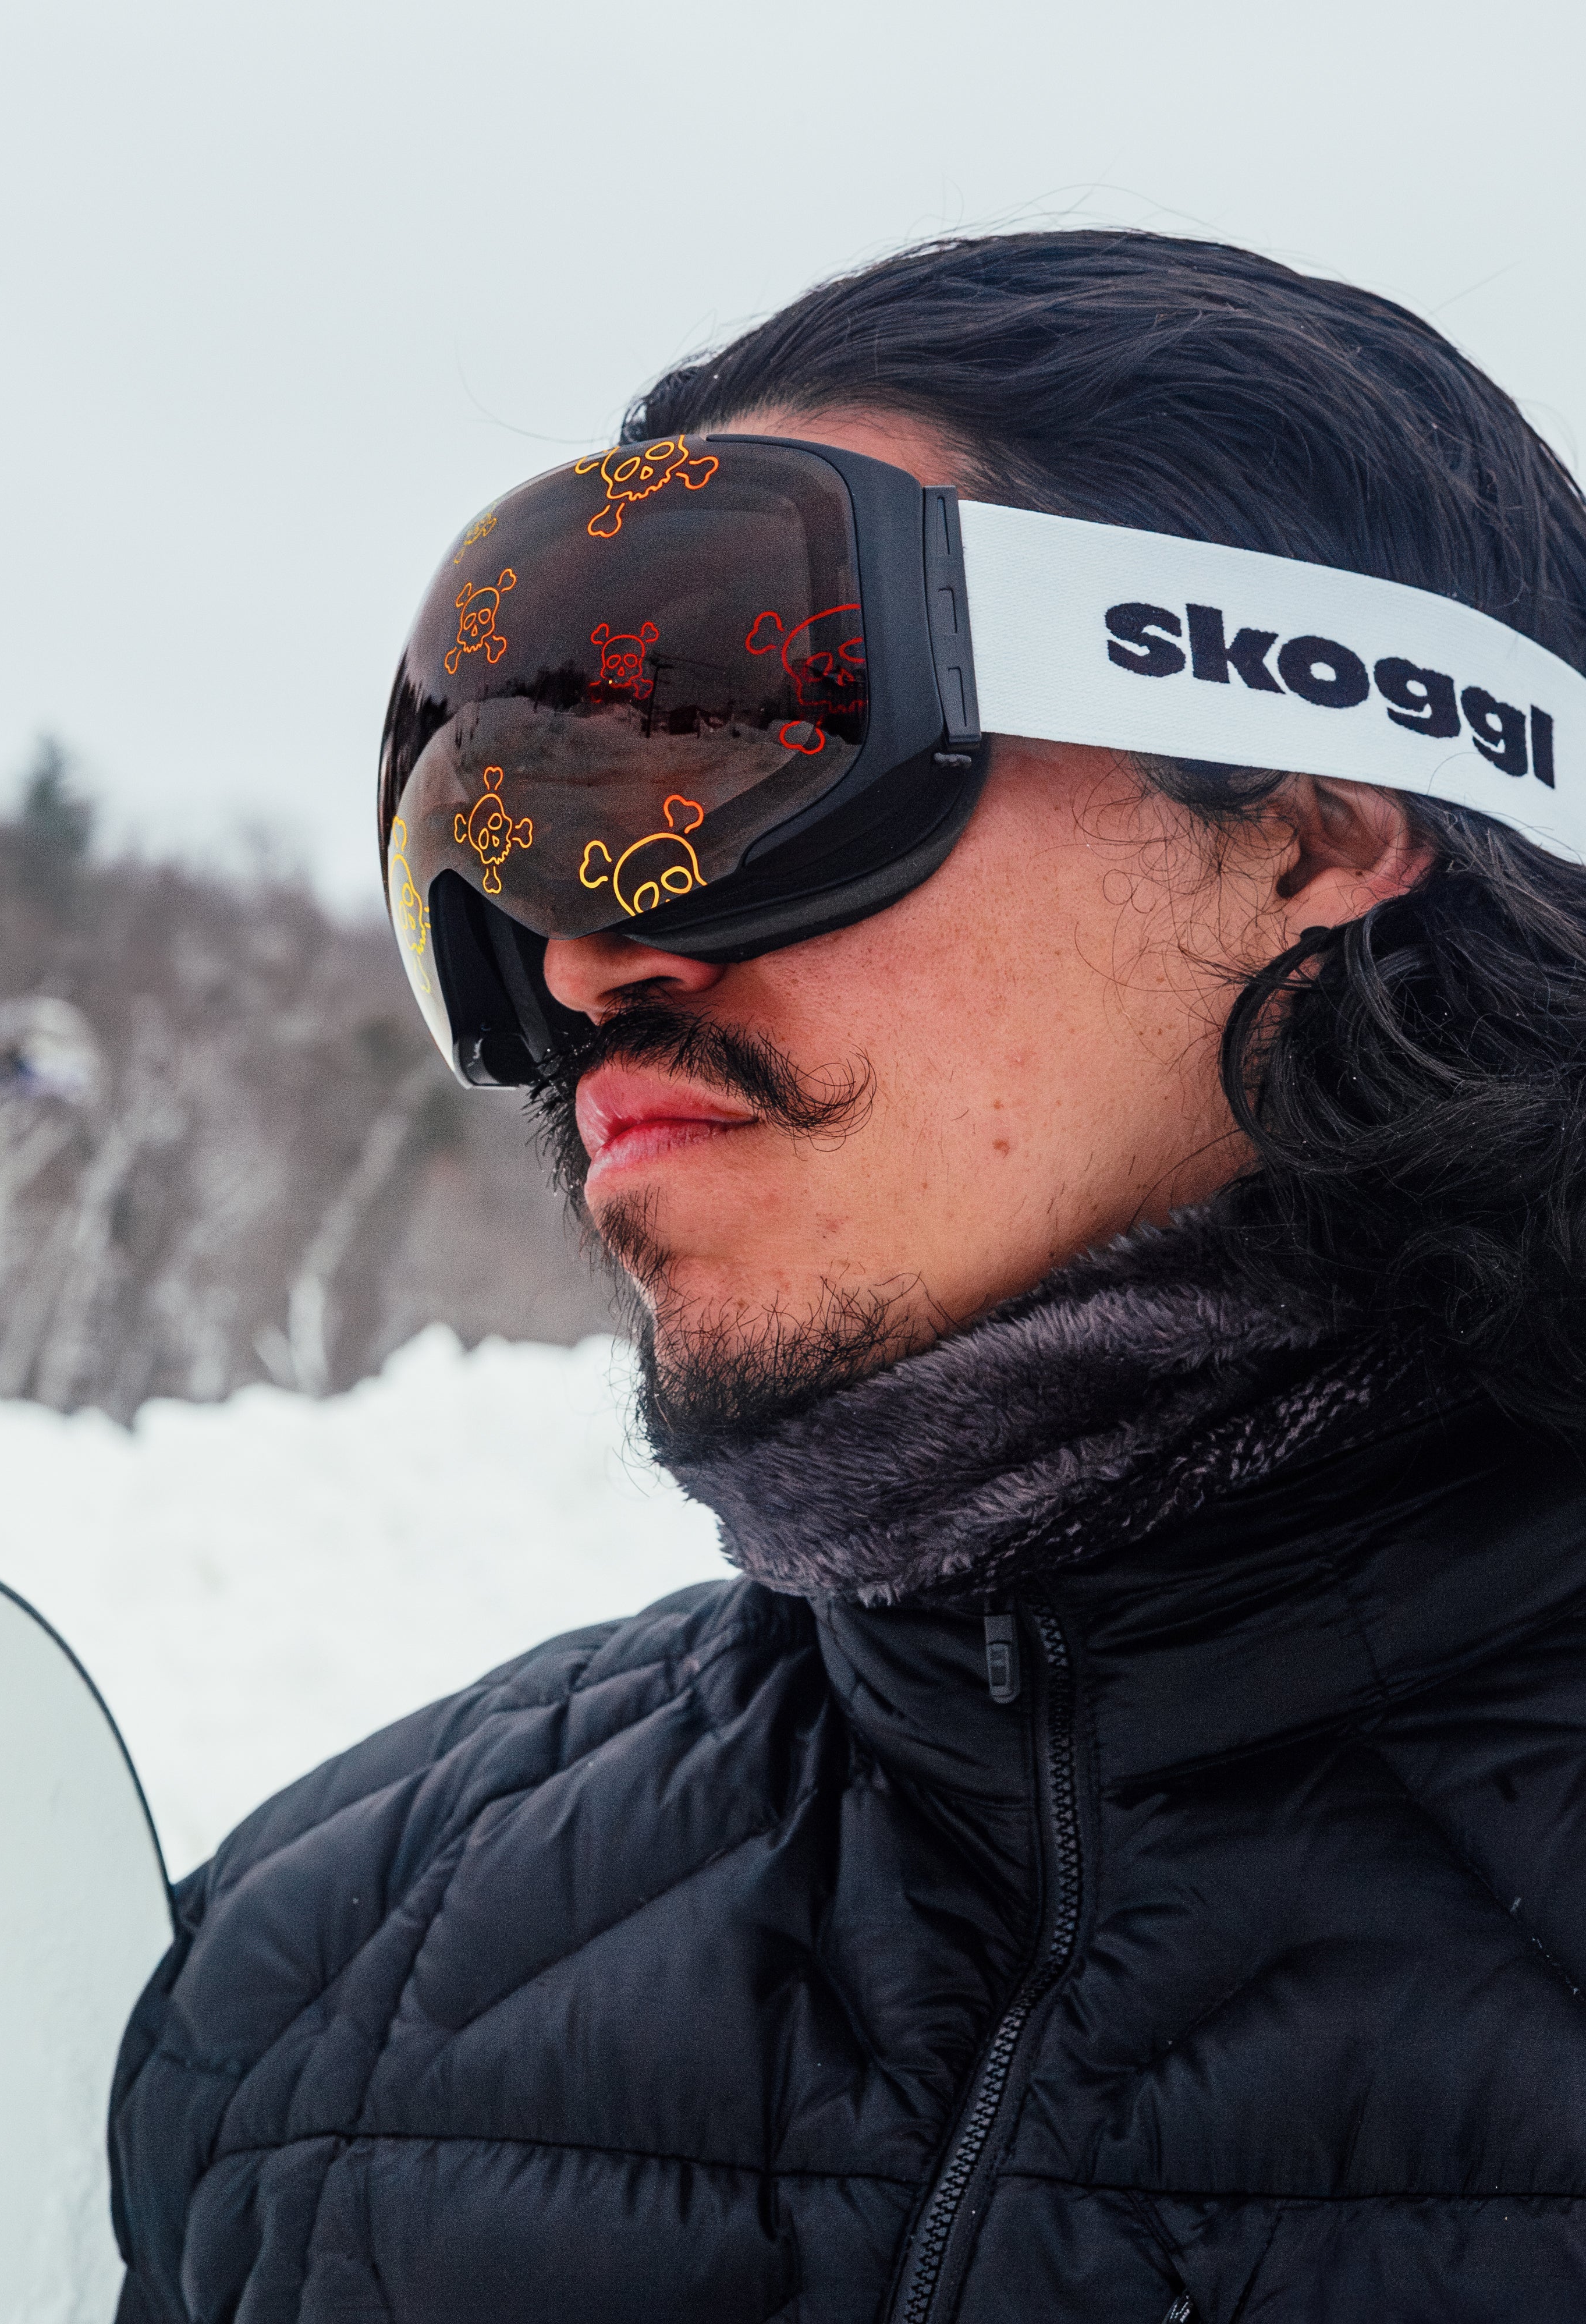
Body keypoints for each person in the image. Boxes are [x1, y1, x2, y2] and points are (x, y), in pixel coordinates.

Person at [108, 232, 1586, 2322]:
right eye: (503, 817)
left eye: (727, 744)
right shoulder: (313, 1968)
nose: (581, 956)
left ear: (1317, 818)